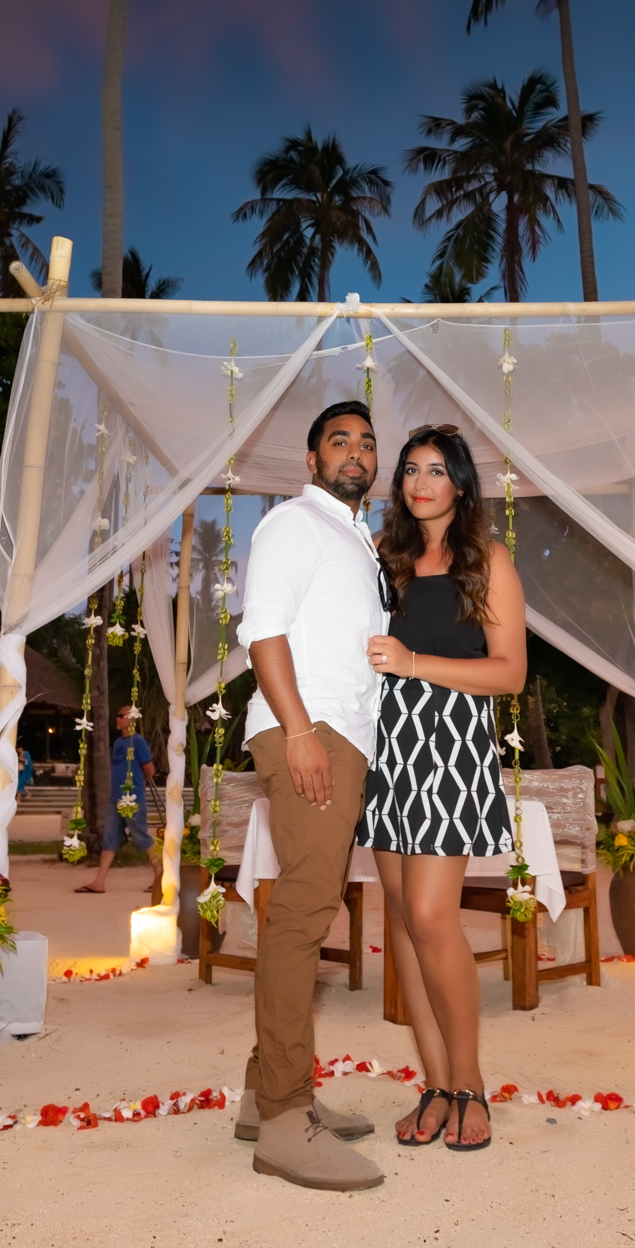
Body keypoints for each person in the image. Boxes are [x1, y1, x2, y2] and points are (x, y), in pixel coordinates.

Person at [231, 400, 386, 1191]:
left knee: (305, 903)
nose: (355, 453)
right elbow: (262, 628)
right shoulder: (294, 522)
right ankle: (287, 1118)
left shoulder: (351, 536)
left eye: (366, 442)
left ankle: (267, 1096)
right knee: (304, 912)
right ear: (312, 457)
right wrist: (297, 731)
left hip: (338, 729)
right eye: (340, 441)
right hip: (310, 728)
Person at [360, 423, 526, 1155]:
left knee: (431, 917)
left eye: (436, 470)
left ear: (460, 483)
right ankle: (433, 1084)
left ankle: (470, 1085)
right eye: (410, 470)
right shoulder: (388, 562)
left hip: (451, 745)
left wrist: (413, 661)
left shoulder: (487, 561)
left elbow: (509, 673)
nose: (420, 482)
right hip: (386, 747)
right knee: (401, 924)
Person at [76, 706, 153, 894]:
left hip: (132, 798)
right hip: (115, 798)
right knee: (109, 838)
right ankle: (99, 881)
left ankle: (161, 872)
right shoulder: (118, 742)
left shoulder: (139, 742)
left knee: (141, 836)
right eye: (117, 715)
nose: (117, 719)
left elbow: (149, 769)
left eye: (121, 716)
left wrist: (135, 785)